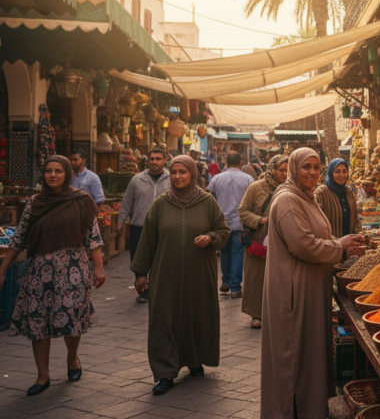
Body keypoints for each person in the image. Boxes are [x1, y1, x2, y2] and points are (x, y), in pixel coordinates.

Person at [261, 148, 364, 419]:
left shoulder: (305, 197)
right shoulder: (286, 200)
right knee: (295, 355)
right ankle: (291, 410)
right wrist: (338, 247)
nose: (312, 172)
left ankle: (311, 408)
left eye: (317, 167)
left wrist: (339, 247)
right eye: (306, 167)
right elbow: (302, 244)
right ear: (294, 169)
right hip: (294, 291)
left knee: (310, 354)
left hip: (309, 288)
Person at [0, 156, 105, 396]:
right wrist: (2, 269)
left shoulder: (81, 201)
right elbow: (19, 239)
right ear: (43, 174)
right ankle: (42, 375)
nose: (53, 175)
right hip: (40, 270)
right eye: (48, 171)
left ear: (67, 174)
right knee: (38, 320)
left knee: (71, 318)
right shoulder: (34, 203)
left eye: (58, 171)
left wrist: (98, 267)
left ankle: (72, 358)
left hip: (73, 269)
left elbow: (93, 236)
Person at [130, 155, 230, 395]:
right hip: (166, 274)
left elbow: (223, 231)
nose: (177, 176)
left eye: (182, 172)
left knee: (196, 316)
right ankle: (165, 372)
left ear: (193, 174)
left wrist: (211, 238)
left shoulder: (208, 202)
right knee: (164, 319)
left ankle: (195, 360)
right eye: (173, 172)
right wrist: (141, 273)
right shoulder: (160, 204)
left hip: (199, 275)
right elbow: (147, 241)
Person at [238, 154, 287, 329]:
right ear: (272, 170)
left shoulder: (291, 189)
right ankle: (256, 313)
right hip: (259, 241)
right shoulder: (256, 188)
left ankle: (277, 313)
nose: (284, 174)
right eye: (281, 170)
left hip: (283, 242)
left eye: (288, 170)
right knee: (257, 278)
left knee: (280, 280)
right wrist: (260, 220)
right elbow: (243, 211)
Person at [118, 148, 171, 303]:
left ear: (164, 160)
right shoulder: (137, 180)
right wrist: (121, 221)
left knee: (160, 258)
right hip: (139, 225)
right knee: (138, 258)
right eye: (152, 159)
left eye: (158, 159)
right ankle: (143, 290)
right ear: (147, 160)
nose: (155, 162)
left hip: (163, 226)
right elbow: (127, 202)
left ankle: (157, 288)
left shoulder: (171, 179)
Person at [207, 152, 254, 298]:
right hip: (240, 223)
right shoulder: (248, 179)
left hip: (222, 223)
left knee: (225, 253)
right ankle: (235, 287)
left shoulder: (217, 179)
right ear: (241, 162)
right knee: (238, 254)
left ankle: (226, 281)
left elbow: (210, 197)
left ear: (226, 162)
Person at [314, 158, 363, 240]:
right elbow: (316, 224)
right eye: (337, 171)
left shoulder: (349, 192)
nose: (342, 175)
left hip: (350, 248)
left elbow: (355, 219)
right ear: (330, 172)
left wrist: (357, 236)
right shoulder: (321, 193)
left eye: (344, 171)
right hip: (329, 247)